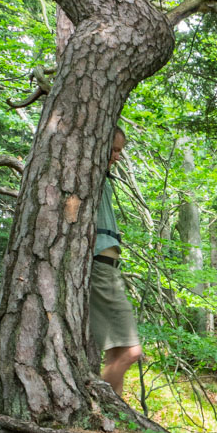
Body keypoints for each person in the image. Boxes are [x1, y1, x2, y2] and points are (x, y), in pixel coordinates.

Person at [89, 127, 143, 398]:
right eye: (114, 149)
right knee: (132, 352)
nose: (118, 157)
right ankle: (94, 401)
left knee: (115, 353)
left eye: (120, 150)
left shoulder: (103, 179)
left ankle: (115, 416)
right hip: (101, 269)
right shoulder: (88, 173)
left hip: (107, 269)